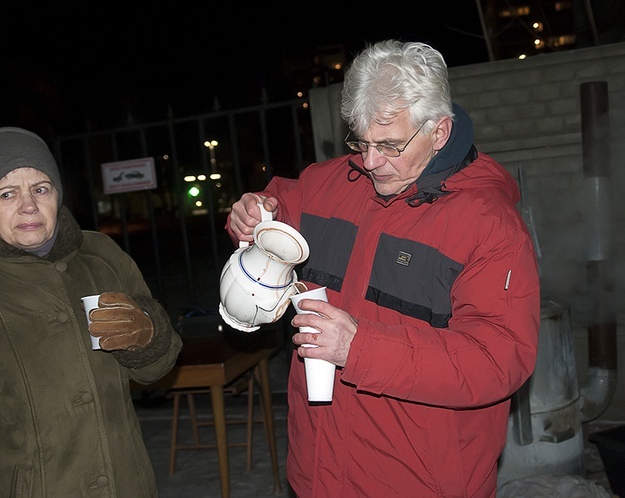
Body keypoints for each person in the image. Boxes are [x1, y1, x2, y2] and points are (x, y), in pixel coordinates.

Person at [226, 40, 541, 497]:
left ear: (440, 132)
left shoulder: (489, 226)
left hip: (420, 482)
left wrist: (360, 348)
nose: (371, 162)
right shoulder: (327, 185)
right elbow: (272, 209)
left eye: (390, 145)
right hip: (318, 476)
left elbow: (498, 359)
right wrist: (248, 218)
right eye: (362, 142)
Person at [0, 127, 182, 497]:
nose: (28, 205)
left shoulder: (102, 258)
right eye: (7, 194)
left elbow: (157, 370)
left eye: (40, 189)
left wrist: (148, 337)